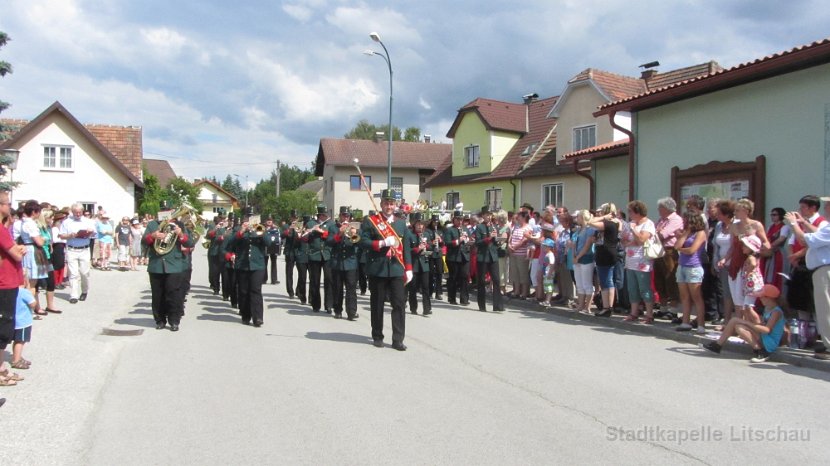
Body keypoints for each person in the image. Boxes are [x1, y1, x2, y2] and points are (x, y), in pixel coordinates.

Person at [359, 189, 413, 351]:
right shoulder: (371, 221)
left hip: (397, 268)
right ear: (381, 204)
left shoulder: (401, 224)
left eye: (391, 203)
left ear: (395, 205)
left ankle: (398, 339)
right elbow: (363, 241)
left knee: (399, 304)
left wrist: (409, 268)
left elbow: (407, 249)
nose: (389, 206)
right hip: (377, 268)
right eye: (386, 203)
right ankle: (377, 335)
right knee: (377, 304)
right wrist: (381, 244)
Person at [785, 200, 830, 360]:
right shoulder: (826, 226)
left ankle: (828, 345)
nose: (825, 208)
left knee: (825, 309)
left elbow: (805, 240)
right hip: (822, 270)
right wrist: (803, 222)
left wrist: (793, 224)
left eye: (828, 206)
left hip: (824, 270)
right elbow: (816, 233)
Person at [701, 284, 785, 363]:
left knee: (736, 321)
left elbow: (767, 330)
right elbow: (762, 324)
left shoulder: (776, 312)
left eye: (762, 297)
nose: (760, 299)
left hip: (770, 342)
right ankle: (758, 349)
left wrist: (748, 324)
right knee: (738, 326)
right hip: (765, 338)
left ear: (769, 298)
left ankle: (718, 345)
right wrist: (749, 315)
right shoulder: (768, 308)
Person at [144, 210, 196, 331]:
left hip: (174, 265)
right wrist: (152, 236)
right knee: (157, 295)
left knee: (174, 294)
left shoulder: (179, 224)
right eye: (162, 211)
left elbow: (189, 243)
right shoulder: (152, 225)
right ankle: (160, 320)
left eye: (167, 211)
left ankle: (174, 321)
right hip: (156, 265)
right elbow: (144, 242)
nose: (164, 214)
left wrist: (181, 234)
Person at [227, 215, 273, 327]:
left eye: (251, 220)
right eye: (247, 220)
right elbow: (230, 243)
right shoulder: (239, 230)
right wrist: (242, 231)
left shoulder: (260, 229)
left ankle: (258, 317)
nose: (249, 222)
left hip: (257, 265)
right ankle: (246, 315)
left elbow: (268, 243)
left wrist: (259, 231)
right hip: (242, 265)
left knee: (256, 290)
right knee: (243, 291)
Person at [0, 192, 26, 387]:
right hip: (4, 282)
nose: (10, 207)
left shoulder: (4, 228)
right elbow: (15, 254)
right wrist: (20, 250)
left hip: (9, 280)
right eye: (7, 204)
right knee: (4, 327)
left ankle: (1, 368)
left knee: (6, 325)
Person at [621, 200, 657, 323]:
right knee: (632, 288)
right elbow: (624, 240)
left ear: (638, 212)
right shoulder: (631, 223)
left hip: (643, 262)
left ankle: (649, 314)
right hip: (630, 260)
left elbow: (641, 240)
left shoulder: (648, 224)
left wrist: (634, 231)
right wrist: (631, 240)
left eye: (630, 211)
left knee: (644, 288)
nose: (629, 214)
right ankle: (634, 312)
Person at [674, 211, 708, 333]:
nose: (684, 223)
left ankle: (701, 324)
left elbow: (692, 250)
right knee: (684, 296)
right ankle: (685, 322)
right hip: (682, 266)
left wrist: (682, 249)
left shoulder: (700, 233)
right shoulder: (687, 233)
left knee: (696, 297)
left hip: (694, 267)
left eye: (686, 221)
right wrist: (686, 234)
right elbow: (676, 246)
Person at [654, 197, 684, 318]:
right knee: (659, 279)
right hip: (658, 250)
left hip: (670, 251)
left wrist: (656, 232)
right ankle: (663, 307)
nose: (658, 210)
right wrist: (656, 232)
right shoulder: (661, 220)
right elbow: (653, 234)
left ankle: (673, 310)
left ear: (666, 208)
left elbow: (661, 235)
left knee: (670, 278)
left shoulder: (675, 219)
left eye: (660, 207)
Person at [328, 207, 360, 320]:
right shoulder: (333, 228)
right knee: (337, 287)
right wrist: (339, 233)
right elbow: (329, 242)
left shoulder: (354, 228)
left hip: (350, 262)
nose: (345, 218)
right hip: (337, 261)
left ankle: (351, 312)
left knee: (351, 288)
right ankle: (337, 310)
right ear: (340, 216)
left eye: (347, 216)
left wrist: (353, 234)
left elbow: (357, 244)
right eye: (343, 215)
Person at [474, 206, 504, 313]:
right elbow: (477, 242)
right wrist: (488, 238)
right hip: (483, 256)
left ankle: (498, 305)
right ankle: (482, 305)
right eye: (487, 215)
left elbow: (495, 242)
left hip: (493, 255)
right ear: (483, 216)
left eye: (490, 215)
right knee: (481, 281)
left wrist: (498, 240)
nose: (489, 217)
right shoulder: (479, 227)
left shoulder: (494, 226)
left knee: (496, 280)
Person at [305, 204, 332, 313]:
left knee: (329, 280)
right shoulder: (311, 223)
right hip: (314, 254)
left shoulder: (331, 224)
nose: (325, 217)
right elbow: (305, 238)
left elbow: (332, 236)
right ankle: (315, 304)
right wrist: (309, 232)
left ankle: (329, 305)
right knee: (314, 280)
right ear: (319, 215)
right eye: (323, 215)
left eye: (326, 215)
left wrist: (321, 232)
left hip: (327, 254)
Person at [406, 213, 432, 315]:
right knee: (413, 288)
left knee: (426, 287)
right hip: (414, 265)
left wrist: (428, 247)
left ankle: (427, 308)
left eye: (422, 224)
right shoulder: (409, 234)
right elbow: (407, 250)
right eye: (418, 224)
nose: (420, 226)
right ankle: (413, 308)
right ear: (414, 225)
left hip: (424, 264)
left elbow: (430, 247)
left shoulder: (426, 234)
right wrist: (418, 249)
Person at [572, 209, 596, 315]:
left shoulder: (589, 230)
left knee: (587, 283)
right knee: (579, 283)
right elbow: (574, 244)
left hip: (586, 258)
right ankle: (580, 305)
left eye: (578, 217)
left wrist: (579, 256)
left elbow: (587, 246)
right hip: (577, 257)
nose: (577, 219)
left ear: (582, 218)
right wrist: (574, 255)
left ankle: (588, 307)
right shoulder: (578, 230)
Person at [444, 210, 470, 306]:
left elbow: (468, 242)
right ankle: (452, 298)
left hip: (464, 256)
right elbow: (448, 243)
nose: (460, 221)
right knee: (453, 278)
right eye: (458, 219)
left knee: (464, 276)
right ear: (453, 219)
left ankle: (464, 299)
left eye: (461, 219)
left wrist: (468, 240)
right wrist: (459, 240)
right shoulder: (449, 230)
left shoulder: (465, 229)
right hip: (453, 257)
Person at [761, 207, 788, 291]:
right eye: (771, 215)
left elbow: (782, 238)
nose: (772, 217)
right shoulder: (770, 226)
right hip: (769, 252)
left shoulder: (784, 227)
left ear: (780, 215)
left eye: (774, 215)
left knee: (777, 273)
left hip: (778, 252)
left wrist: (770, 246)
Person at [11, 284, 36, 370]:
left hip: (13, 320)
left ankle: (17, 356)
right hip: (23, 322)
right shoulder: (24, 292)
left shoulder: (10, 291)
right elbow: (33, 304)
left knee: (16, 340)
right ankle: (16, 360)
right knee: (20, 341)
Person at [507, 210, 531, 300]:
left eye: (520, 216)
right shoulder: (516, 227)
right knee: (515, 273)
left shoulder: (528, 227)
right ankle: (516, 291)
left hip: (522, 254)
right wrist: (509, 245)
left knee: (523, 273)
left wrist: (515, 246)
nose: (518, 218)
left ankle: (524, 293)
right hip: (513, 253)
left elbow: (525, 240)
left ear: (524, 217)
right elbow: (511, 237)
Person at [205, 215, 225, 293]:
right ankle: (215, 287)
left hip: (224, 251)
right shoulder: (213, 225)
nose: (222, 220)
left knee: (224, 272)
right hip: (214, 251)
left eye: (224, 218)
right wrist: (215, 228)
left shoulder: (227, 226)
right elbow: (208, 236)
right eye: (221, 218)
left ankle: (225, 291)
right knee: (214, 271)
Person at [426, 214, 444, 301]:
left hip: (438, 254)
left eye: (437, 222)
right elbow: (426, 242)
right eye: (434, 222)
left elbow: (443, 244)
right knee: (431, 273)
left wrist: (441, 241)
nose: (435, 224)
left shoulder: (440, 231)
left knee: (439, 273)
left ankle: (438, 292)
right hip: (431, 254)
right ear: (431, 222)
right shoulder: (428, 231)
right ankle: (430, 292)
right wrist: (432, 242)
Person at [281, 210, 299, 298]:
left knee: (302, 273)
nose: (294, 219)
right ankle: (290, 291)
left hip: (299, 251)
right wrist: (290, 229)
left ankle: (299, 290)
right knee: (289, 272)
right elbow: (281, 235)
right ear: (290, 218)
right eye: (293, 217)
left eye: (296, 217)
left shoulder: (301, 226)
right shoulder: (286, 226)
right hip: (289, 251)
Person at [263, 216, 281, 285]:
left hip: (274, 248)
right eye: (268, 220)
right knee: (264, 263)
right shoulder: (263, 228)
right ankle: (264, 279)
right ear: (266, 222)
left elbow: (279, 236)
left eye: (270, 220)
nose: (269, 221)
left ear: (272, 221)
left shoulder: (276, 228)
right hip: (265, 247)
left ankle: (274, 279)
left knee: (274, 263)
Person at [541, 238, 556, 307]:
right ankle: (546, 300)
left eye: (545, 246)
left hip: (548, 273)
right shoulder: (547, 254)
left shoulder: (551, 255)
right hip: (546, 272)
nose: (544, 247)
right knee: (546, 287)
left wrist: (549, 273)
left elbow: (552, 264)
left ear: (550, 247)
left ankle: (548, 301)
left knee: (549, 287)